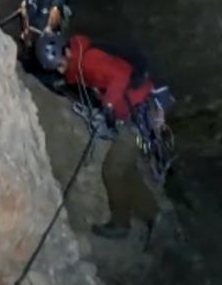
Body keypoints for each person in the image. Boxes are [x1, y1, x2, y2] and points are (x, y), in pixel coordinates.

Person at [36, 33, 161, 239]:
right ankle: (152, 214)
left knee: (112, 170)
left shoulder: (88, 59)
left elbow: (121, 75)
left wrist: (108, 105)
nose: (60, 69)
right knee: (124, 168)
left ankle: (121, 225)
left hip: (141, 115)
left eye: (61, 63)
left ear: (67, 51)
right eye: (56, 68)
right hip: (138, 114)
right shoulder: (82, 66)